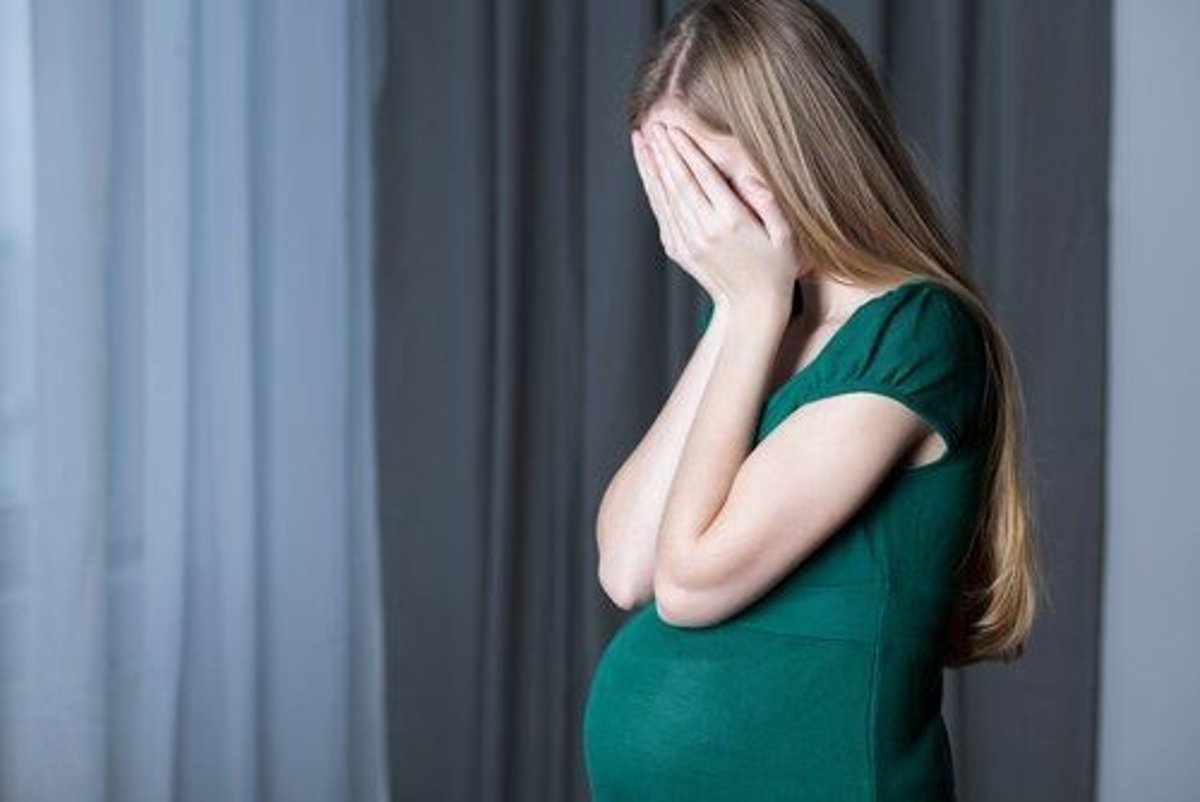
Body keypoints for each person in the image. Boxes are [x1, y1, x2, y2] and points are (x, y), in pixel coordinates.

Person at [581, 1, 1044, 799]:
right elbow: (626, 567)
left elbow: (690, 584)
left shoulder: (915, 331)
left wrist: (749, 310)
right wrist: (739, 313)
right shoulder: (762, 320)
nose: (705, 219)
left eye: (714, 178)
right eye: (676, 186)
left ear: (805, 149)